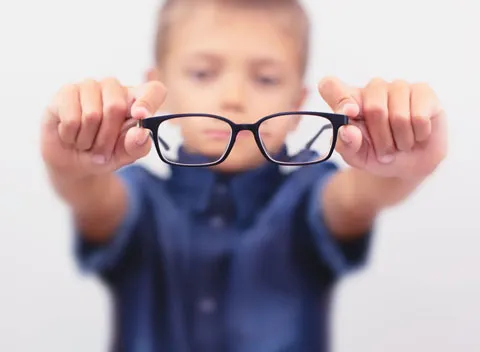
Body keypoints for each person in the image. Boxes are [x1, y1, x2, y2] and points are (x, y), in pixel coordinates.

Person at [40, 0, 448, 351]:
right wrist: (73, 163)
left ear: (296, 103)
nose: (233, 97)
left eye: (266, 78)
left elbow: (355, 197)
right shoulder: (137, 198)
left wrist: (397, 167)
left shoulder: (308, 195)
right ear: (159, 90)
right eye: (202, 73)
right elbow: (94, 197)